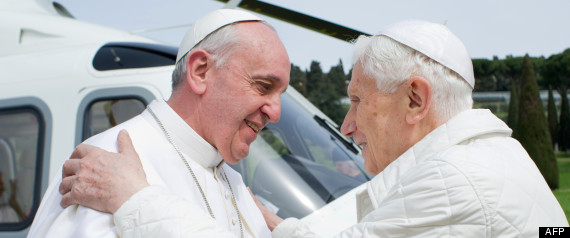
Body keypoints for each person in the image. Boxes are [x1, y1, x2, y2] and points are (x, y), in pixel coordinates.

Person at [59, 19, 569, 237]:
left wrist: (134, 200)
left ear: (415, 99)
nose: (346, 125)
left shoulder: (461, 183)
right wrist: (278, 226)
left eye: (356, 101)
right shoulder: (488, 160)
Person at [27, 8, 290, 238]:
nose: (275, 114)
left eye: (280, 95)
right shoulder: (102, 166)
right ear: (200, 71)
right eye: (263, 86)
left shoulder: (236, 186)